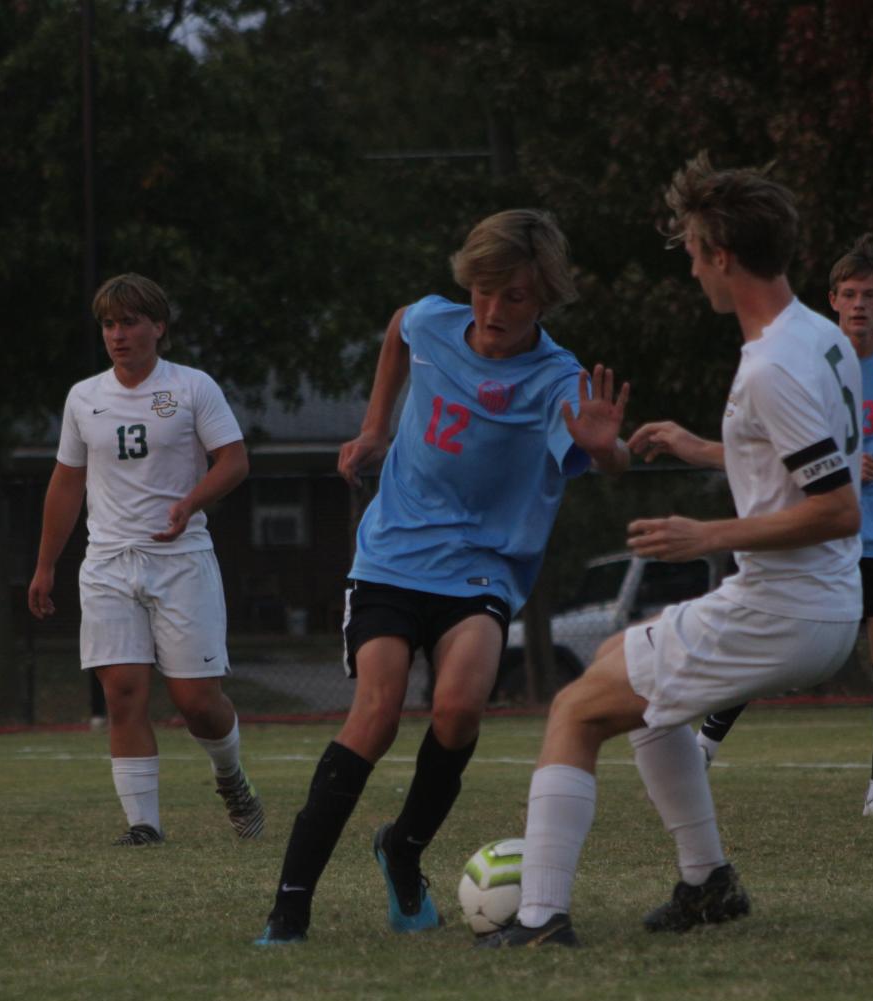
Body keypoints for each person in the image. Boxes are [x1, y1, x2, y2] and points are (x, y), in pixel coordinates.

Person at [478, 155, 864, 948]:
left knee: (574, 710)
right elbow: (812, 467)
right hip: (816, 602)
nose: (689, 266)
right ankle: (706, 881)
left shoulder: (771, 366)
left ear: (722, 254)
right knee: (632, 672)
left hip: (784, 609)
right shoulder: (818, 338)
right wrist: (709, 449)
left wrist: (706, 534)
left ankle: (542, 916)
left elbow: (836, 506)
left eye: (692, 250)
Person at [255, 209, 631, 945]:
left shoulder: (557, 376)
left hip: (482, 567)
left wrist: (607, 449)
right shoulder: (432, 322)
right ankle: (288, 908)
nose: (493, 310)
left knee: (458, 709)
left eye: (515, 297)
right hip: (392, 555)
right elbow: (397, 328)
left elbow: (606, 455)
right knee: (376, 711)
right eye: (484, 290)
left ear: (544, 298)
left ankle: (402, 849)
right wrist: (374, 428)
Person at [695, 236, 873, 818]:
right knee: (774, 640)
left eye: (871, 295)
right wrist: (838, 460)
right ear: (832, 300)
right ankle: (702, 746)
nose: (859, 304)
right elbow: (772, 441)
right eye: (849, 293)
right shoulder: (809, 361)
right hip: (820, 528)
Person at [28, 273, 262, 846]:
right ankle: (144, 827)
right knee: (122, 692)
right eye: (109, 324)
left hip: (181, 560)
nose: (118, 334)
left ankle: (231, 778)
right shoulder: (84, 397)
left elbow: (233, 460)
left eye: (129, 322)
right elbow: (66, 481)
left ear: (158, 326)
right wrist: (45, 564)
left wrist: (191, 503)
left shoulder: (191, 387)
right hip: (108, 563)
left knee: (196, 702)